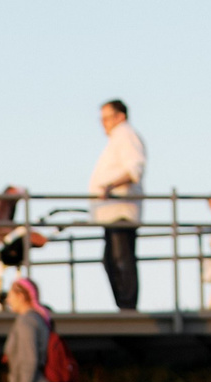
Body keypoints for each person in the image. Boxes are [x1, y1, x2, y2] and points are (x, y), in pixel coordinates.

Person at [90, 99, 146, 311]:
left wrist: (109, 187)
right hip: (112, 212)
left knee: (121, 259)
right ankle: (124, 304)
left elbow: (134, 170)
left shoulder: (125, 135)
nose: (103, 123)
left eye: (107, 118)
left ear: (120, 117)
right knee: (111, 259)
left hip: (121, 211)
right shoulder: (117, 139)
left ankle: (127, 306)